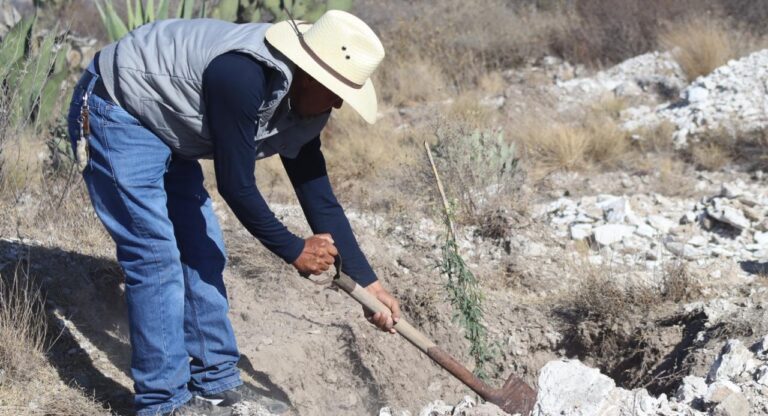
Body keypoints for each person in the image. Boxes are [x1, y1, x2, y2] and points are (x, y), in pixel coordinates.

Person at [66, 10, 401, 416]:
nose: (338, 105)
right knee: (155, 256)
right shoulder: (242, 76)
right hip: (118, 106)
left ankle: (215, 383)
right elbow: (236, 185)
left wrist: (369, 283)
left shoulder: (307, 105)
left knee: (202, 249)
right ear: (310, 74)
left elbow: (316, 192)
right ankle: (163, 401)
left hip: (169, 122)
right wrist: (294, 249)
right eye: (335, 92)